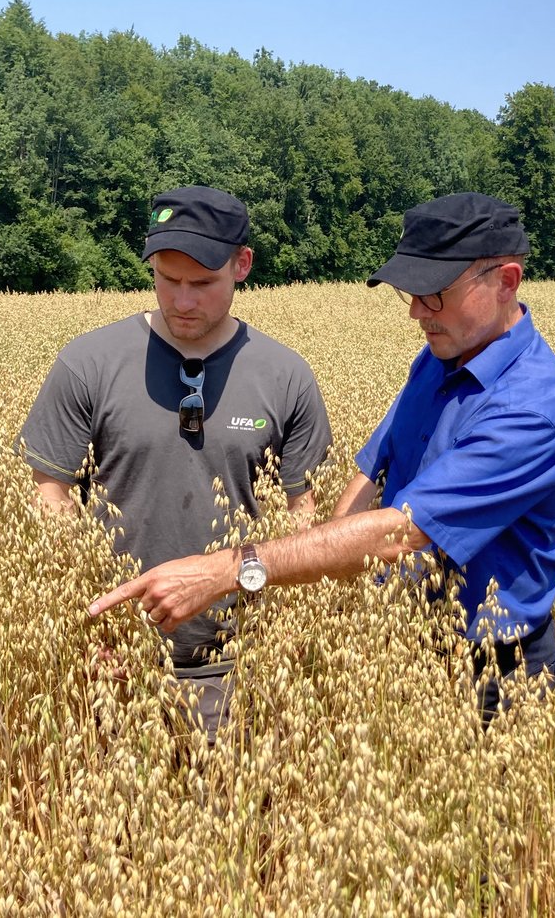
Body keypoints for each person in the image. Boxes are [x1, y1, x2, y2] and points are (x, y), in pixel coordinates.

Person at [87, 192, 555, 719]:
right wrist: (320, 595)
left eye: (435, 294)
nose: (419, 311)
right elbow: (373, 470)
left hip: (488, 672)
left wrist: (228, 571)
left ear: (506, 281)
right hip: (397, 649)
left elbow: (399, 531)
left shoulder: (533, 410)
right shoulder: (446, 352)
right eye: (411, 293)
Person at [18, 185, 332, 741]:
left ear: (242, 265)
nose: (182, 301)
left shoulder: (286, 377)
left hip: (242, 669)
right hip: (112, 668)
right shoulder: (87, 364)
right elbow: (51, 500)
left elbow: (303, 517)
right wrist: (89, 632)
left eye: (203, 284)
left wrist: (284, 641)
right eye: (168, 279)